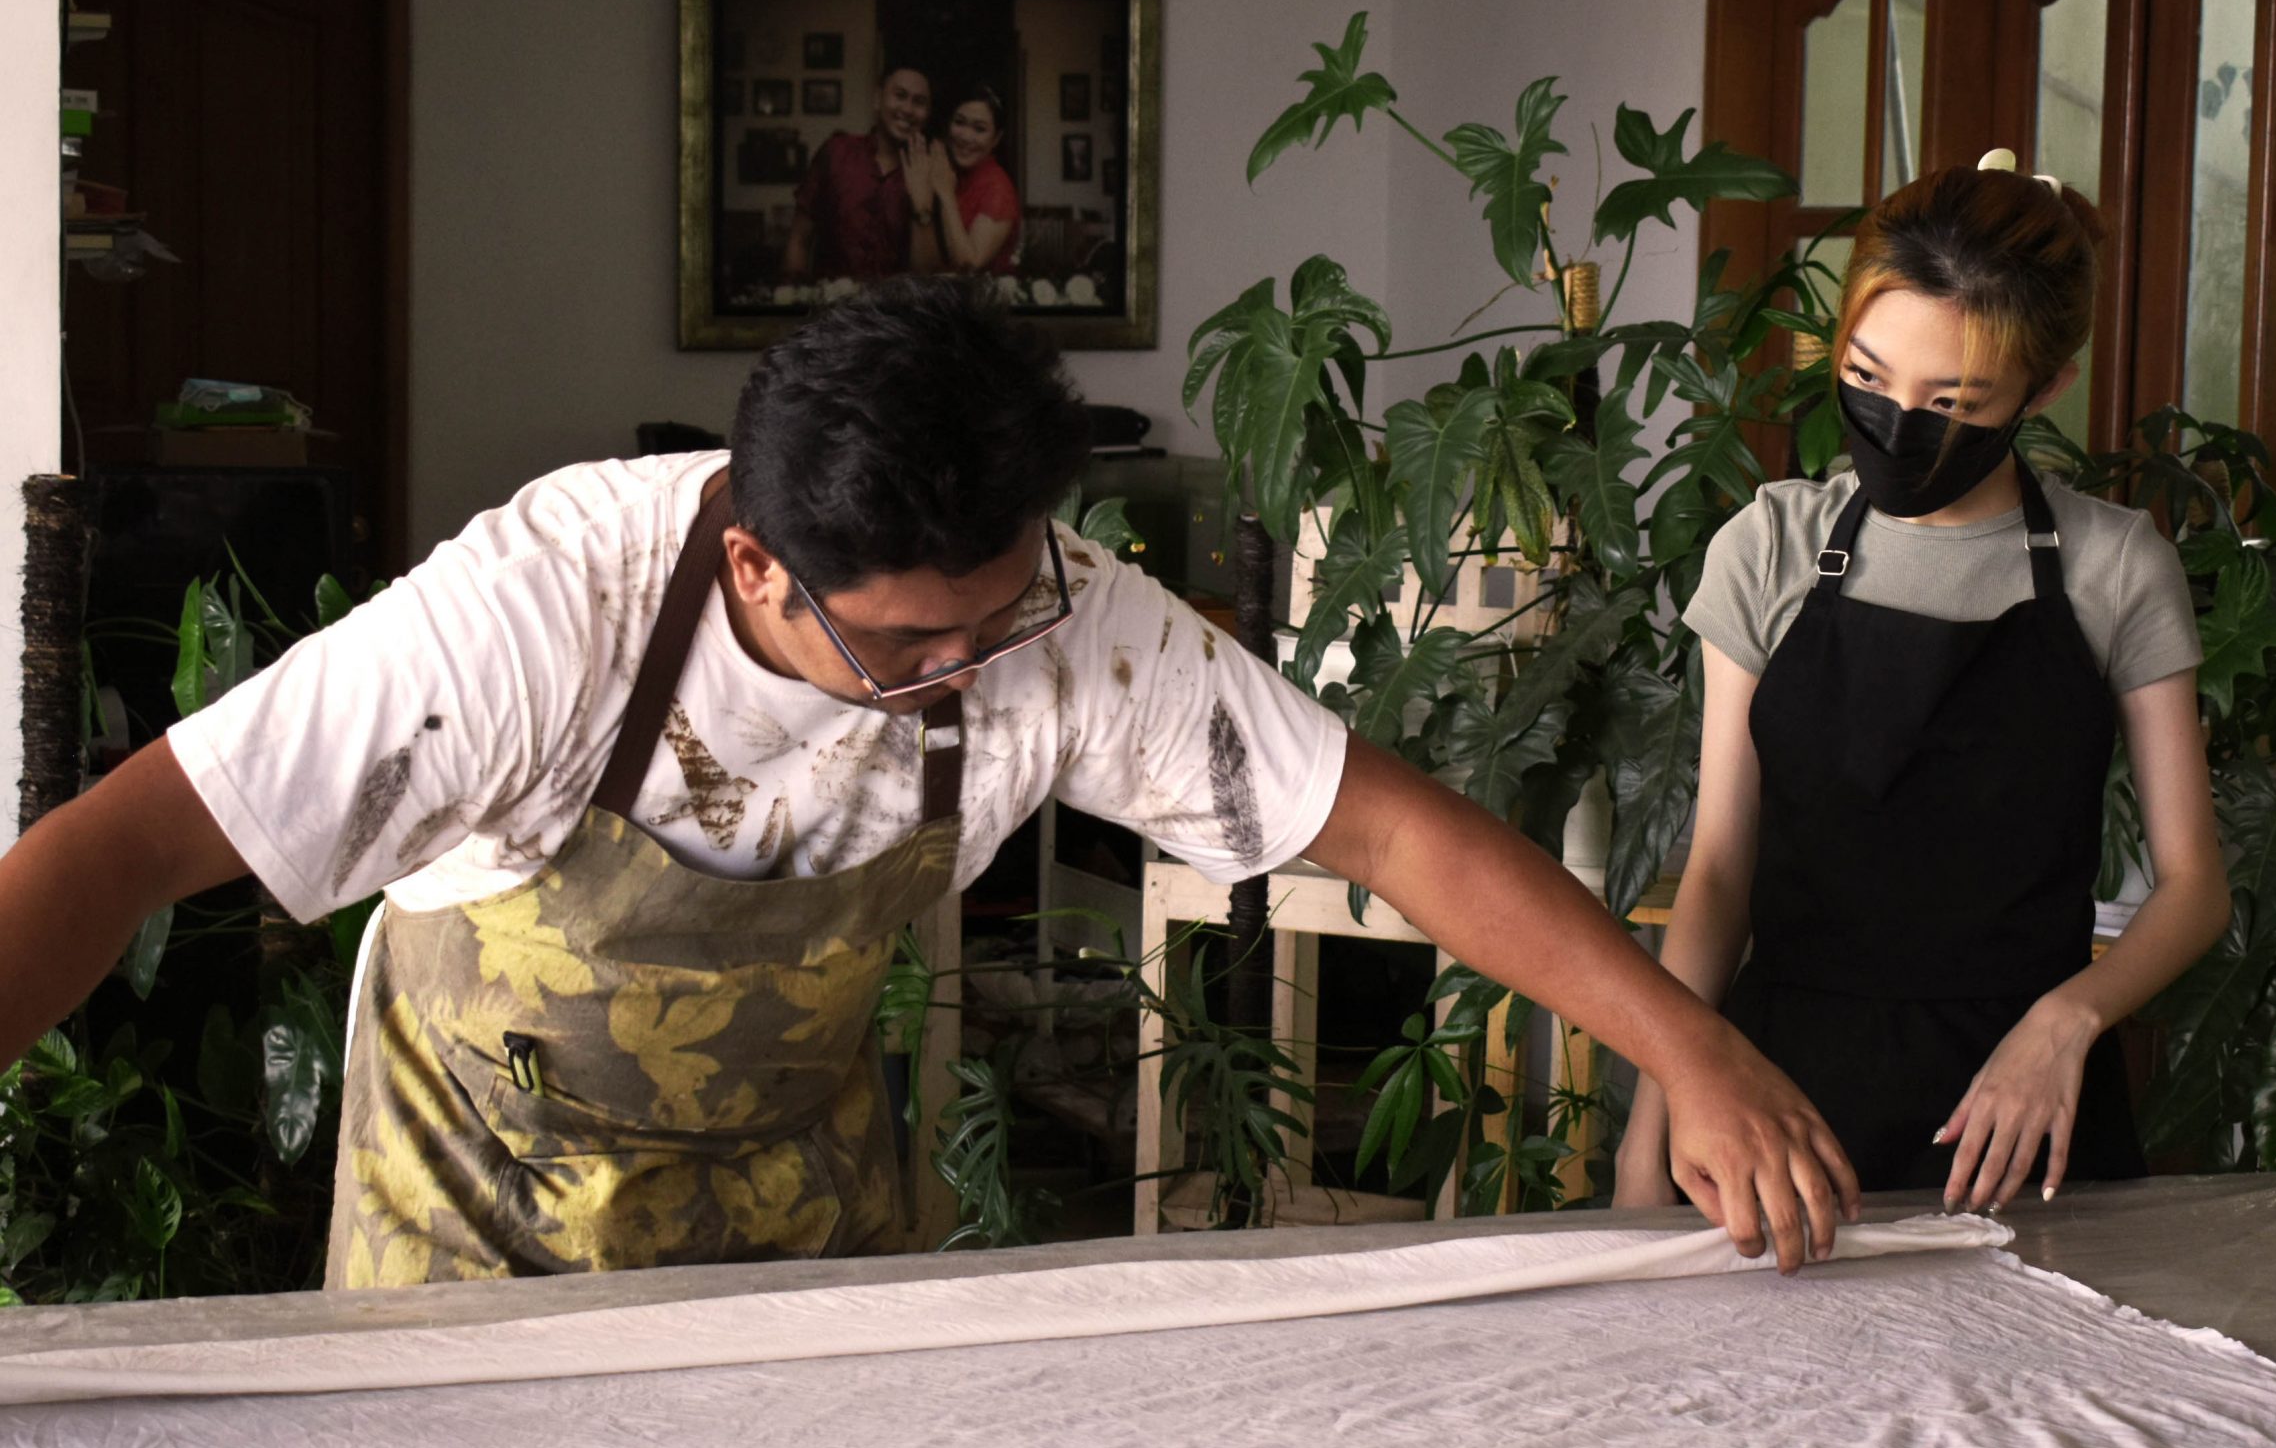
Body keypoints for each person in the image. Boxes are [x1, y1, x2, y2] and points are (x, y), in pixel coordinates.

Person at [0, 279, 1859, 1288]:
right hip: (493, 1214)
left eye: (1002, 617)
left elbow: (1384, 826)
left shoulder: (1051, 610)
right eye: (906, 651)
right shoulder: (529, 617)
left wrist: (1689, 1051)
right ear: (753, 566)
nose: (966, 672)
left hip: (801, 1199)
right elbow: (107, 858)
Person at [1617, 155, 2230, 1218]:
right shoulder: (1770, 547)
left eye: (1950, 402)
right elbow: (1716, 871)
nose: (1896, 422)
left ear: (2043, 391)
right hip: (1776, 1101)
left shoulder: (2113, 566)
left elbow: (2193, 888)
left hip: (2020, 1120)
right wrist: (1653, 1127)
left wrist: (2066, 1024)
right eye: (1865, 379)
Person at [781, 61, 932, 283]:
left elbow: (927, 276)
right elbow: (799, 238)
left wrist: (922, 208)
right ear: (877, 99)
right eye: (900, 95)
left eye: (919, 102)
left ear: (927, 113)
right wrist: (792, 300)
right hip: (834, 309)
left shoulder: (931, 171)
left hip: (894, 312)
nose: (908, 109)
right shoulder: (836, 152)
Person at [907, 86, 1022, 276]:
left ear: (996, 139)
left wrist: (945, 193)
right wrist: (922, 203)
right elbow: (928, 267)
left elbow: (969, 266)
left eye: (979, 129)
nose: (966, 137)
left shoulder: (998, 188)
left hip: (983, 303)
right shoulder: (952, 174)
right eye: (959, 122)